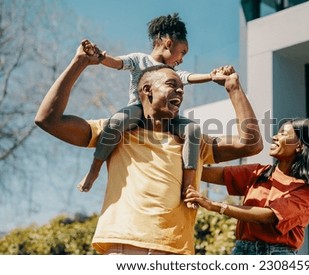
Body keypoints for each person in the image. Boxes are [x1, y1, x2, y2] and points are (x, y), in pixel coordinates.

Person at [34, 43, 263, 254]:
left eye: (182, 88)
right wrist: (79, 62)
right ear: (146, 90)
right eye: (172, 85)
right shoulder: (118, 133)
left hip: (178, 252)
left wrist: (234, 88)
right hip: (125, 247)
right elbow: (48, 120)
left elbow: (251, 144)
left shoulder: (192, 142)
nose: (180, 92)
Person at [78, 13, 213, 208]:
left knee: (193, 130)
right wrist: (101, 57)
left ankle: (188, 187)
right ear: (168, 43)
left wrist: (211, 75)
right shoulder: (139, 60)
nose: (182, 59)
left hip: (165, 117)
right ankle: (94, 170)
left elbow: (187, 76)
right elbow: (117, 63)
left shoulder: (172, 72)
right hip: (139, 112)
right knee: (116, 122)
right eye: (182, 52)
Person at [184, 118, 309, 255]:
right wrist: (179, 157)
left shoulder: (304, 190)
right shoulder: (259, 172)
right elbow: (206, 173)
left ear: (299, 146)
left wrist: (215, 206)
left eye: (283, 134)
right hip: (241, 251)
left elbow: (269, 216)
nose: (274, 137)